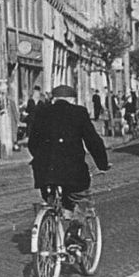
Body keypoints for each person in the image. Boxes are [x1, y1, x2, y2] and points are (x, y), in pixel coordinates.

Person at [28, 84, 110, 230]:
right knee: (80, 199)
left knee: (51, 199)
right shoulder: (79, 112)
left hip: (44, 172)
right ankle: (75, 232)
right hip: (73, 171)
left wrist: (43, 158)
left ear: (54, 99)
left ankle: (50, 224)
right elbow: (93, 142)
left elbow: (32, 143)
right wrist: (102, 164)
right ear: (72, 100)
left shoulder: (42, 112)